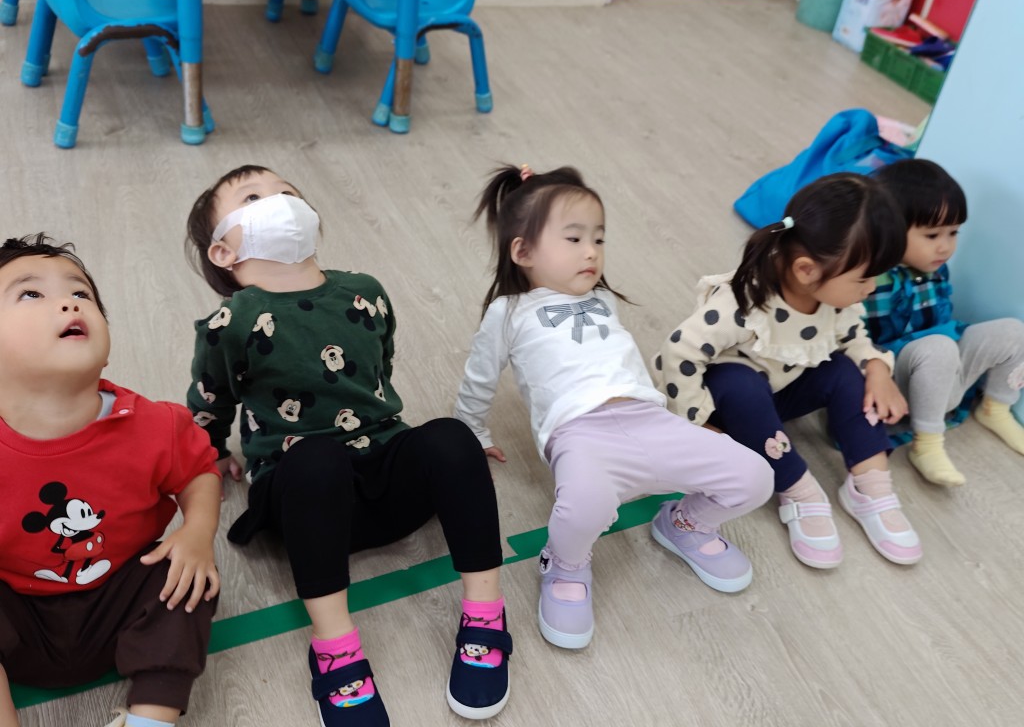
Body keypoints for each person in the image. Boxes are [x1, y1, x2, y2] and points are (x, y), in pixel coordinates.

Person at [184, 165, 511, 727]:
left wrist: (444, 466)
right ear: (223, 252)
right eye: (254, 197)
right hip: (304, 502)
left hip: (387, 485)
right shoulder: (229, 320)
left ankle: (485, 616)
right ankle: (335, 649)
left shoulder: (365, 291)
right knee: (317, 460)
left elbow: (380, 367)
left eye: (288, 192)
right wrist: (212, 450)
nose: (280, 201)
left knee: (451, 436)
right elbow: (210, 397)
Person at [454, 164, 773, 651]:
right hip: (580, 434)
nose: (591, 251)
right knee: (583, 510)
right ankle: (565, 564)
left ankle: (683, 523)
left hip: (651, 421)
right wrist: (471, 434)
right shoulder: (508, 311)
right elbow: (479, 378)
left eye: (598, 239)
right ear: (523, 252)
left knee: (756, 477)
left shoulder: (603, 298)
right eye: (574, 239)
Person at [0, 234, 221, 727]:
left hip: (121, 598)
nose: (68, 302)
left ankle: (150, 718)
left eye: (81, 293)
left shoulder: (152, 423)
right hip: (19, 616)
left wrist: (197, 532)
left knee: (188, 578)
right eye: (30, 293)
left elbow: (199, 472)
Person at [657, 173, 923, 569]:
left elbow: (854, 336)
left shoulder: (834, 297)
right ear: (806, 270)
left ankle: (870, 484)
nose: (870, 289)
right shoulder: (743, 303)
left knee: (846, 370)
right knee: (740, 384)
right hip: (729, 404)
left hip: (780, 391)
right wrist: (696, 424)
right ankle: (797, 488)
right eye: (864, 278)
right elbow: (678, 352)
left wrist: (876, 369)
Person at [863, 159, 1024, 487]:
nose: (945, 246)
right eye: (932, 235)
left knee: (1014, 330)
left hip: (943, 371)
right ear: (890, 229)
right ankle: (926, 444)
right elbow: (856, 342)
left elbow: (943, 320)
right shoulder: (869, 279)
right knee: (937, 347)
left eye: (953, 233)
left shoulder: (935, 270)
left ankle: (995, 407)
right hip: (896, 382)